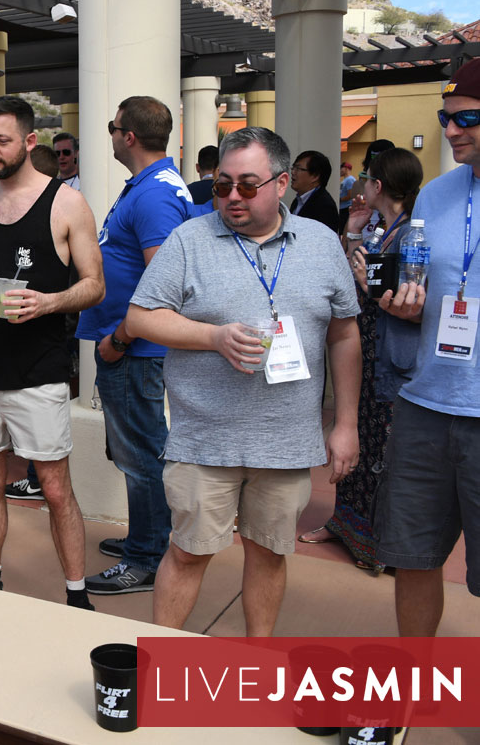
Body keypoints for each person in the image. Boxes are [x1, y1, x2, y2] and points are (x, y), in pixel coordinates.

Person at [124, 126, 361, 636]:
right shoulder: (189, 239)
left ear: (281, 184)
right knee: (187, 554)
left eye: (247, 186)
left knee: (269, 556)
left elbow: (344, 336)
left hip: (286, 441)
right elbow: (141, 318)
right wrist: (213, 337)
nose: (231, 196)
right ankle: (159, 664)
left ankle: (257, 665)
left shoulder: (321, 244)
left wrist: (345, 425)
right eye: (222, 185)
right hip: (205, 439)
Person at [0, 96, 104, 606]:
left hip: (39, 372)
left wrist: (50, 301)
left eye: (3, 140)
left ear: (29, 142)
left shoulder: (66, 204)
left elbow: (95, 285)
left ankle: (76, 594)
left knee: (55, 488)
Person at [374, 58, 480, 637]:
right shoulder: (436, 196)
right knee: (412, 558)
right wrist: (404, 308)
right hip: (425, 406)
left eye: (466, 118)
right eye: (445, 118)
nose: (450, 130)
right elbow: (422, 287)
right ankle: (412, 691)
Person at [76, 95, 198, 596]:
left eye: (112, 126)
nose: (110, 135)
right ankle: (149, 537)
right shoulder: (156, 186)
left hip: (133, 350)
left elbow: (165, 281)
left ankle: (146, 558)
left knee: (141, 457)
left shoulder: (152, 196)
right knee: (143, 453)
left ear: (128, 136)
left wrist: (119, 340)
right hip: (132, 347)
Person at [299, 148, 423, 571]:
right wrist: (351, 232)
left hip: (390, 360)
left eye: (367, 178)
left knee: (382, 456)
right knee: (354, 446)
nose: (362, 185)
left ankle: (377, 543)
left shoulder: (410, 237)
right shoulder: (378, 229)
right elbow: (347, 284)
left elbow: (403, 301)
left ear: (379, 185)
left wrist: (365, 283)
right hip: (365, 356)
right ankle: (344, 524)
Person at [289, 150, 340, 231]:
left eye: (298, 168)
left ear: (315, 176)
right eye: (293, 167)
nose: (292, 172)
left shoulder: (325, 207)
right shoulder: (298, 200)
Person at [337, 160, 357, 231]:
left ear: (346, 168)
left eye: (341, 168)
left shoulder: (350, 179)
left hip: (346, 208)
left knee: (343, 229)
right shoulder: (344, 180)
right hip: (342, 208)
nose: (340, 170)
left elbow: (351, 194)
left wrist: (339, 199)